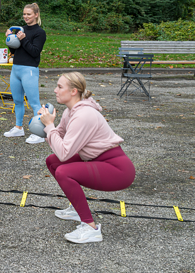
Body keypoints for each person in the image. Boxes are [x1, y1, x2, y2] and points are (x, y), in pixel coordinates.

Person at [39, 72, 135, 244]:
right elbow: (58, 137)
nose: (55, 90)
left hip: (118, 170)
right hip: (98, 160)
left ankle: (91, 228)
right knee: (52, 161)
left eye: (60, 87)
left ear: (74, 91)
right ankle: (77, 209)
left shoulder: (83, 115)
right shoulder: (71, 111)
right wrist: (45, 124)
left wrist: (49, 126)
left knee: (63, 171)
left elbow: (64, 152)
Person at [3, 2, 47, 143]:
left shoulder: (39, 32)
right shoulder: (20, 30)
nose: (26, 16)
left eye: (29, 14)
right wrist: (10, 39)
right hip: (16, 69)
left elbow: (35, 52)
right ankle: (18, 128)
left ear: (36, 15)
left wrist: (23, 39)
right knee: (17, 101)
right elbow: (14, 51)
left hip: (29, 70)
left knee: (34, 103)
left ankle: (39, 133)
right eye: (24, 14)